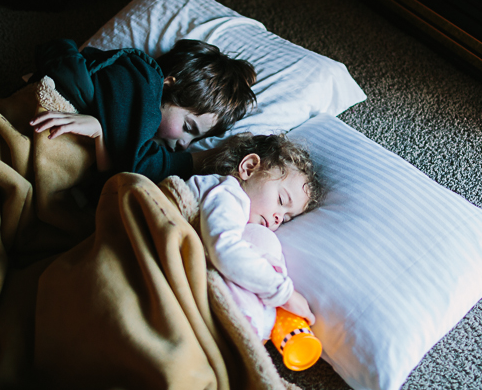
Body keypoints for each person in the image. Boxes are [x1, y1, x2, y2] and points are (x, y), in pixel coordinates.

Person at [28, 38, 257, 193]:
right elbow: (138, 169)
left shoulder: (137, 123)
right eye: (188, 127)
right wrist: (199, 160)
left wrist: (99, 133)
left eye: (195, 141)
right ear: (167, 85)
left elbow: (109, 180)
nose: (185, 145)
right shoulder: (143, 79)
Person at [187, 133, 324, 327]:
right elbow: (225, 251)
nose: (278, 217)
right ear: (249, 168)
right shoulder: (226, 193)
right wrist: (285, 294)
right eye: (281, 200)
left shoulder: (238, 212)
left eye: (286, 218)